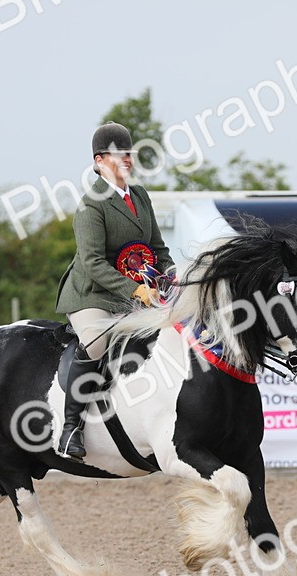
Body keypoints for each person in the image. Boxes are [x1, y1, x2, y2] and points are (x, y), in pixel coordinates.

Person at [54, 122, 174, 460]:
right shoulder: (91, 205)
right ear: (99, 160)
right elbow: (92, 262)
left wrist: (172, 276)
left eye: (130, 154)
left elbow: (157, 247)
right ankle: (71, 428)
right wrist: (136, 290)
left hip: (136, 291)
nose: (128, 161)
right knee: (97, 343)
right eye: (120, 155)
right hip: (92, 293)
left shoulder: (139, 196)